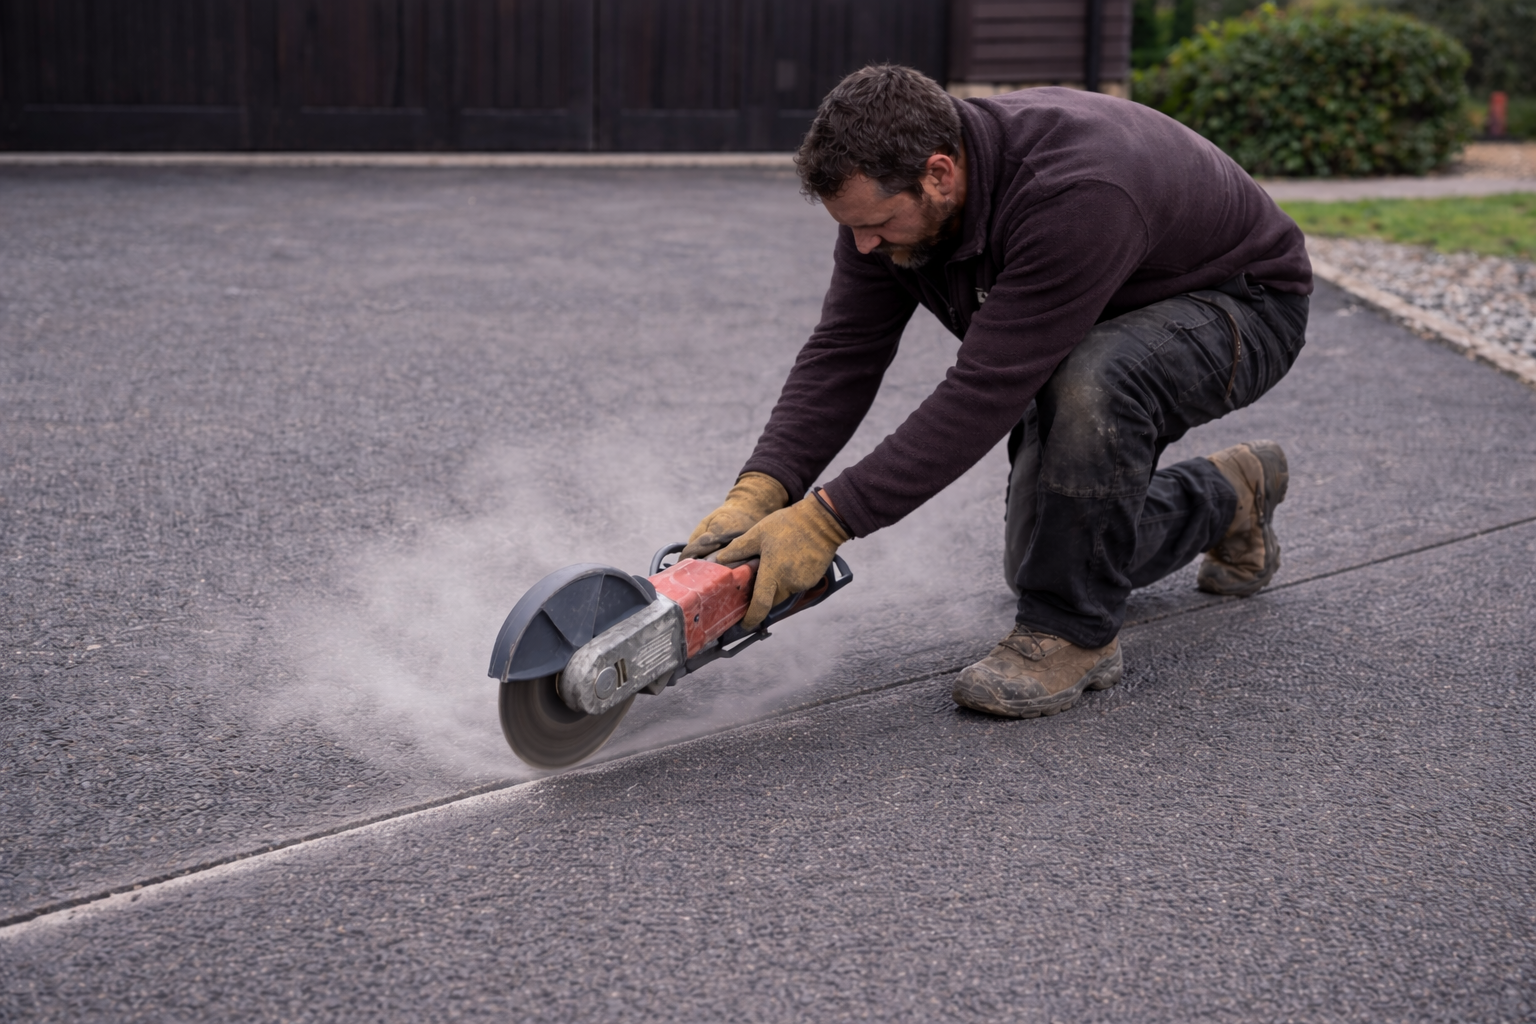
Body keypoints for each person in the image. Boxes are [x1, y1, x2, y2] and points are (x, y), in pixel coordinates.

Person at [680, 64, 1311, 719]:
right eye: (853, 227)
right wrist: (763, 488)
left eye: (879, 224)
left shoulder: (1074, 193)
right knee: (1045, 555)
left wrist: (825, 521)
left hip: (1244, 307)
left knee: (1094, 381)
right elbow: (845, 352)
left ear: (939, 174)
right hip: (1100, 316)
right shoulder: (883, 206)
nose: (863, 244)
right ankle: (1229, 495)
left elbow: (984, 390)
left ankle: (1074, 635)